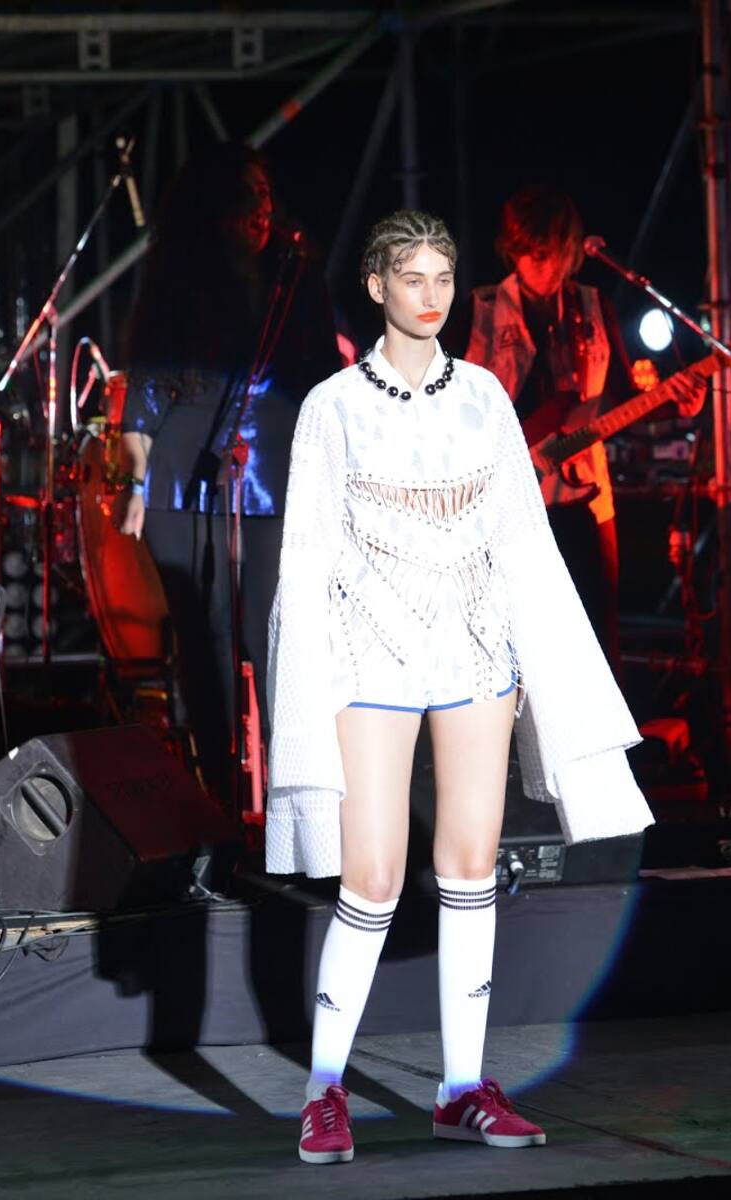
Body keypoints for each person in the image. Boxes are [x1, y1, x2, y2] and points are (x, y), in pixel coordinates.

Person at [267, 210, 652, 1164]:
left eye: (443, 277)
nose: (431, 295)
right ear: (376, 287)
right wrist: (306, 675)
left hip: (475, 650)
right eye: (413, 277)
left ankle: (462, 1088)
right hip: (370, 654)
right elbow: (305, 554)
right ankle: (323, 1089)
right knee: (373, 877)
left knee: (472, 869)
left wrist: (544, 668)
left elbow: (523, 538)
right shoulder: (332, 407)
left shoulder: (483, 396)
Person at [116, 142, 341, 798]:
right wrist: (133, 479)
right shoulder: (177, 280)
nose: (261, 207)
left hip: (272, 474)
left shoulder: (294, 278)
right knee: (205, 639)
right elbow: (146, 388)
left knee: (274, 635)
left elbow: (325, 376)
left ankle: (293, 798)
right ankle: (217, 794)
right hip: (183, 476)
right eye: (247, 194)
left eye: (266, 193)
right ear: (212, 205)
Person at [455, 184, 705, 670]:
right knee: (510, 645)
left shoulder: (593, 307)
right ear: (514, 250)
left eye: (555, 254)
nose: (546, 268)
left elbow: (623, 402)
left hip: (585, 493)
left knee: (596, 635)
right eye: (534, 255)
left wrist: (675, 403)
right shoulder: (479, 309)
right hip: (502, 498)